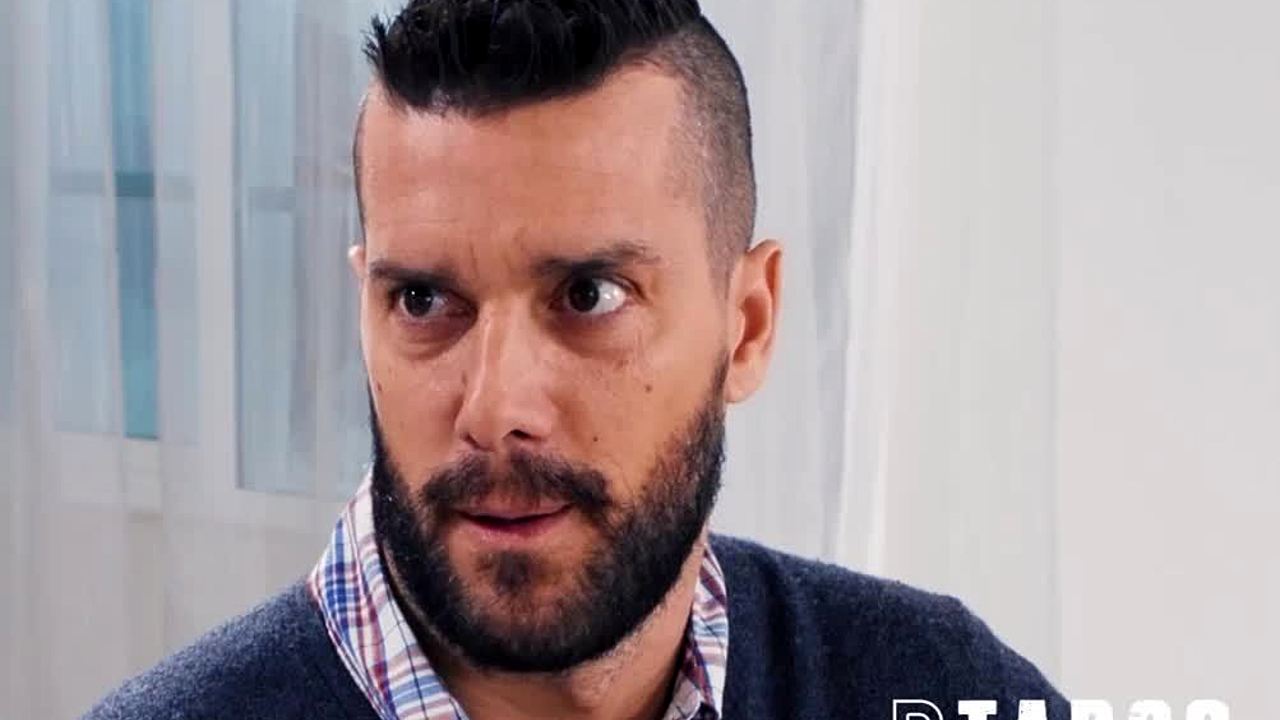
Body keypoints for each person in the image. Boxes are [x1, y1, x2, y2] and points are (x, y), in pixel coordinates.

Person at [88, 1, 1067, 718]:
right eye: (423, 301)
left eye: (589, 295)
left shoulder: (936, 687)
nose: (494, 406)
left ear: (747, 324)